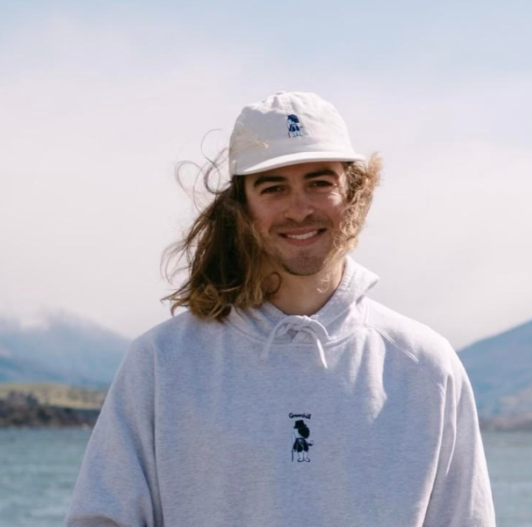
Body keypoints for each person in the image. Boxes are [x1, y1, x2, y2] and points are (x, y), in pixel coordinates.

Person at [65, 91, 496, 526]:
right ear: (240, 208)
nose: (300, 208)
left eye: (319, 182)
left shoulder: (425, 366)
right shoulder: (163, 363)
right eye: (273, 187)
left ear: (354, 192)